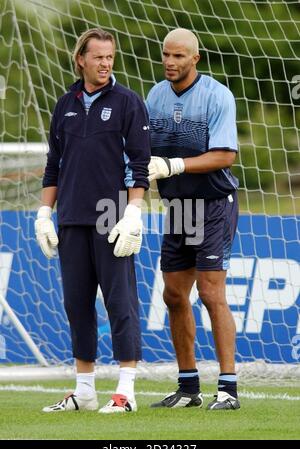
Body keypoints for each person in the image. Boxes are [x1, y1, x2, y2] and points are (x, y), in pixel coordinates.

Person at [35, 28, 151, 414]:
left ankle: (126, 392)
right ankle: (84, 392)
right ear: (80, 59)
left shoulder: (128, 103)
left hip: (111, 219)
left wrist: (133, 212)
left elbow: (139, 165)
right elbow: (54, 165)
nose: (105, 64)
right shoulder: (64, 103)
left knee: (121, 303)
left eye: (110, 57)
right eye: (98, 57)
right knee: (76, 305)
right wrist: (44, 213)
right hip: (71, 220)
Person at [146, 28, 240, 410]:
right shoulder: (154, 95)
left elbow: (224, 156)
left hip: (214, 203)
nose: (170, 62)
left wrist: (174, 164)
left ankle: (229, 389)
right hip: (178, 208)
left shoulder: (217, 96)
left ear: (195, 59)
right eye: (166, 55)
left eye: (179, 56)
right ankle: (188, 388)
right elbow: (143, 151)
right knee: (172, 295)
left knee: (210, 293)